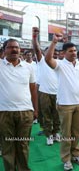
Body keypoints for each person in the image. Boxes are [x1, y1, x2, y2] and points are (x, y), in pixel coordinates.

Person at [45, 34, 79, 170]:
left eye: (75, 50)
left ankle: (76, 154)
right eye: (70, 51)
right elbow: (48, 59)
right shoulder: (59, 65)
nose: (74, 53)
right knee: (66, 133)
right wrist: (54, 42)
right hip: (65, 105)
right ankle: (66, 159)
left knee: (76, 131)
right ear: (63, 53)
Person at [0, 38, 38, 171]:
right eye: (10, 47)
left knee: (23, 145)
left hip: (25, 112)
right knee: (8, 146)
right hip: (4, 112)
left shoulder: (28, 67)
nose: (14, 49)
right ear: (4, 51)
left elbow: (33, 89)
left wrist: (35, 109)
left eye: (16, 47)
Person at [32, 27, 61, 146]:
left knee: (57, 115)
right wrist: (34, 37)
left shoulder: (59, 63)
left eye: (56, 52)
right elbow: (36, 48)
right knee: (47, 115)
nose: (54, 53)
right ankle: (48, 135)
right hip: (44, 92)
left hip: (58, 93)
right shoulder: (42, 60)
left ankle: (56, 133)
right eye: (50, 51)